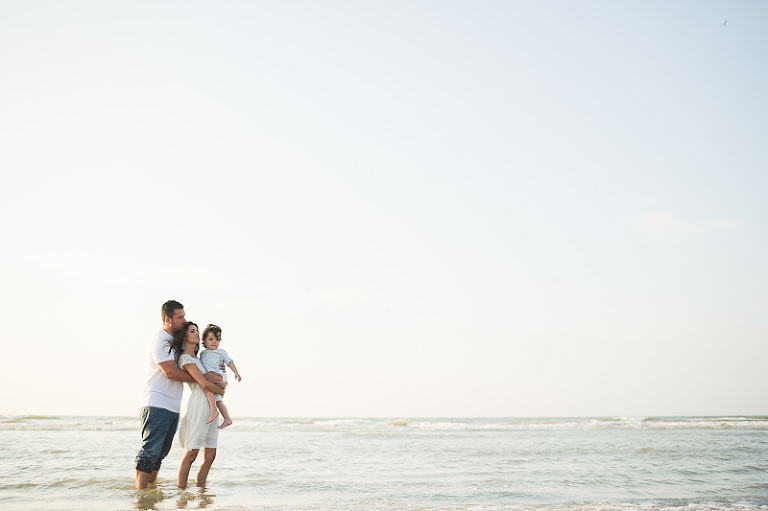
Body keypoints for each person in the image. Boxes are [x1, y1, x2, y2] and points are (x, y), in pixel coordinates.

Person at [135, 301, 225, 491]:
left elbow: (198, 363)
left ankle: (150, 493)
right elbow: (169, 371)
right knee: (150, 452)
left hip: (173, 406)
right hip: (156, 402)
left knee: (160, 455)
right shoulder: (160, 339)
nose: (184, 320)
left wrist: (216, 370)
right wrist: (202, 378)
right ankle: (141, 497)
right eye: (180, 317)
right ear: (168, 319)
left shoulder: (176, 344)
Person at [170, 321, 222, 488]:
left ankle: (201, 493)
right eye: (192, 331)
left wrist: (219, 371)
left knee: (210, 455)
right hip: (200, 404)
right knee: (191, 454)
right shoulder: (185, 358)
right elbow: (203, 383)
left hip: (211, 403)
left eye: (197, 331)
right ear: (184, 336)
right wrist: (220, 390)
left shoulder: (200, 359)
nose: (197, 333)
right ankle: (181, 494)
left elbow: (212, 377)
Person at [200, 324, 242, 429]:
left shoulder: (221, 352)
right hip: (212, 377)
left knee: (207, 390)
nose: (214, 342)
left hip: (218, 376)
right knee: (218, 400)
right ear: (204, 340)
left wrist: (236, 373)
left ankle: (214, 411)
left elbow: (229, 362)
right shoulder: (202, 353)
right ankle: (227, 419)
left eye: (217, 340)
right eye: (211, 339)